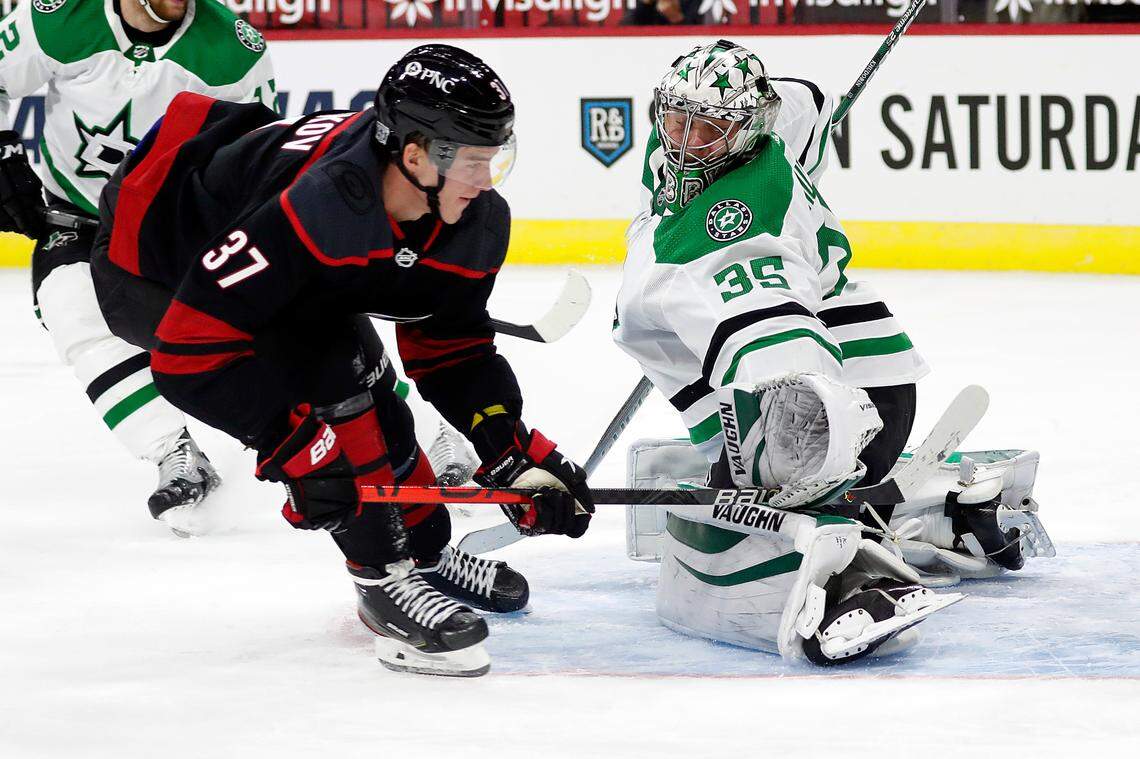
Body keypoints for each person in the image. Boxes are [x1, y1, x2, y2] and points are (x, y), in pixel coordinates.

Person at [89, 44, 594, 677]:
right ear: (416, 156)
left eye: (494, 158)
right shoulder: (323, 206)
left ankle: (425, 552)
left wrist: (508, 448)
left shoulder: (473, 220)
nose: (486, 181)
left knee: (368, 386)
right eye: (473, 161)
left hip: (278, 261)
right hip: (153, 269)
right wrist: (295, 448)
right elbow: (188, 354)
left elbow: (450, 347)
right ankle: (384, 581)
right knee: (334, 399)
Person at [612, 40, 1048, 665]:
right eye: (678, 118)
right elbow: (808, 102)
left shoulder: (740, 222)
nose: (686, 140)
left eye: (708, 128)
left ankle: (858, 582)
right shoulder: (760, 128)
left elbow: (785, 353)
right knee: (747, 477)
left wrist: (802, 455)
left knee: (773, 493)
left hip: (847, 391)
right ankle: (942, 512)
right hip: (849, 356)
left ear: (743, 131)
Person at [0, 0, 278, 535]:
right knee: (69, 306)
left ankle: (423, 434)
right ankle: (175, 453)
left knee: (276, 331)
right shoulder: (58, 18)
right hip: (79, 217)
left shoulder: (235, 51)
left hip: (173, 225)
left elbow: (260, 159)